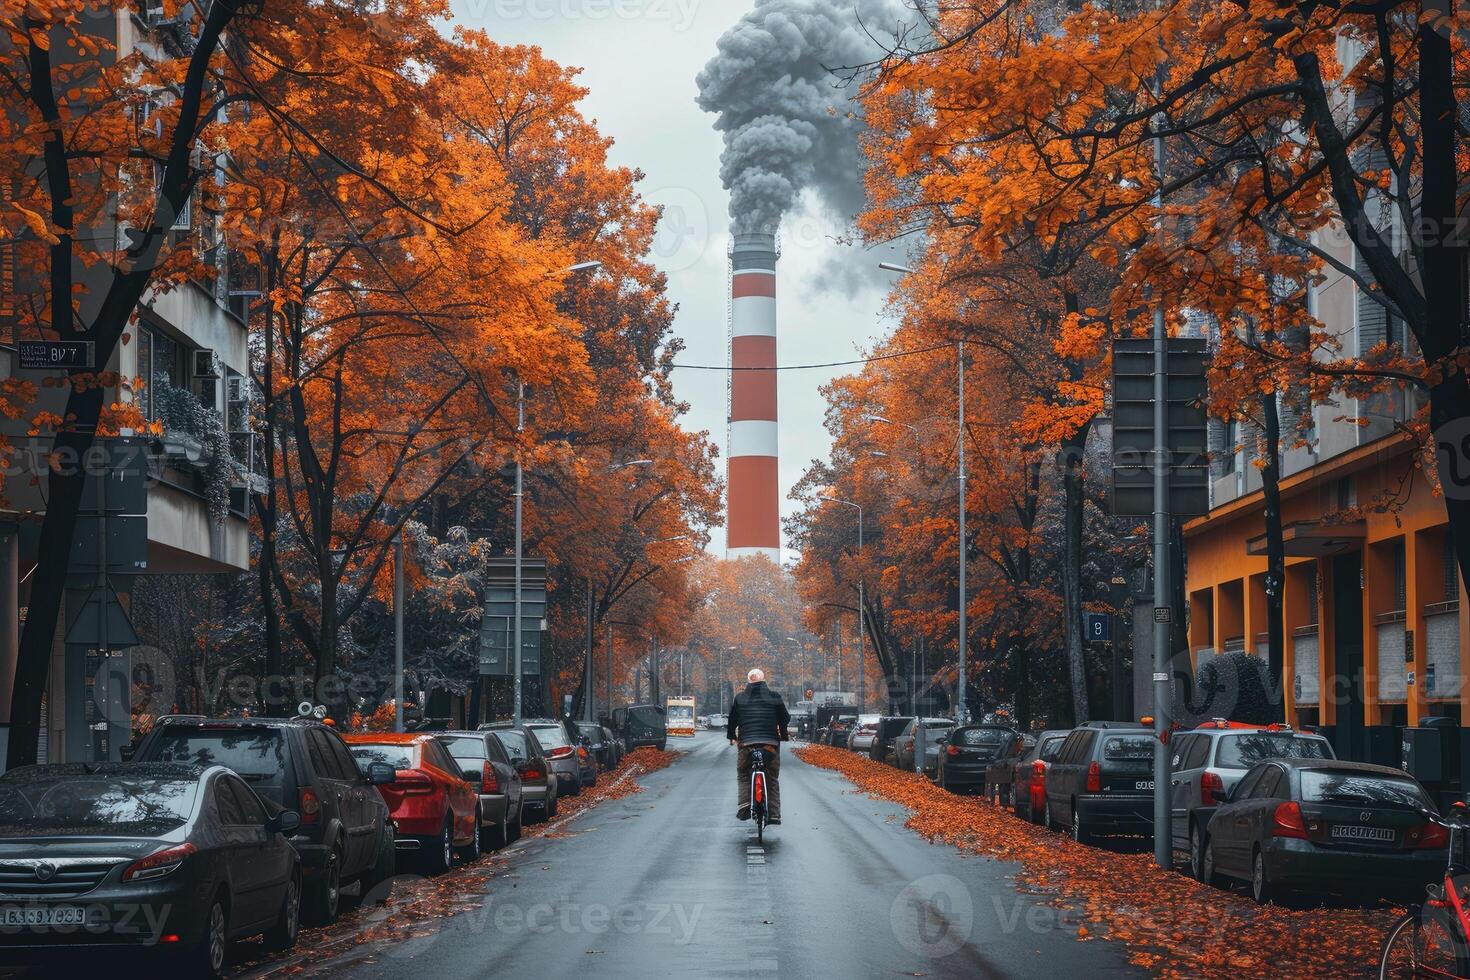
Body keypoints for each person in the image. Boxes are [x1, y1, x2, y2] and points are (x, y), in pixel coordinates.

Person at [726, 667, 790, 824]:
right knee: (772, 777)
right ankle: (774, 814)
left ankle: (744, 806)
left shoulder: (740, 698)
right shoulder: (774, 696)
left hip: (747, 744)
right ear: (764, 681)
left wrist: (732, 736)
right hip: (770, 745)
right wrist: (783, 734)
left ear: (748, 682)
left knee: (743, 773)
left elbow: (732, 720)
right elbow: (784, 718)